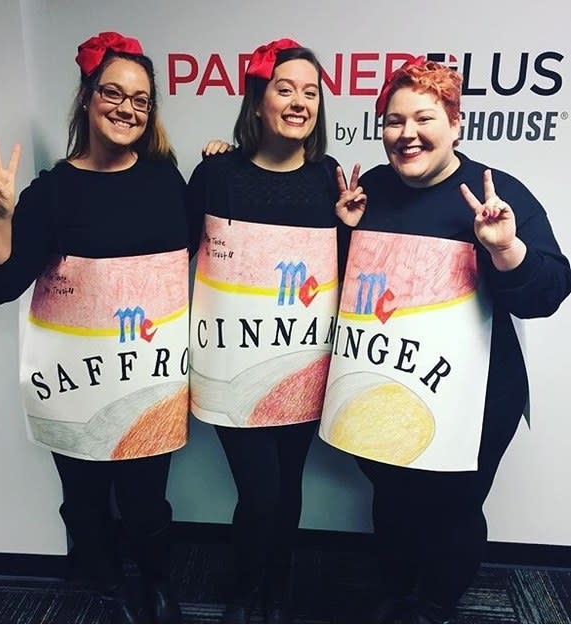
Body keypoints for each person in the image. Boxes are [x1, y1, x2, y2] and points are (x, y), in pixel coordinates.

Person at [319, 58, 571, 623]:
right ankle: (398, 589)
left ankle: (434, 605)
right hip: (387, 377)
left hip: (479, 396)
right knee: (390, 492)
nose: (407, 134)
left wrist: (504, 248)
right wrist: (344, 232)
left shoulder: (497, 193)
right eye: (393, 120)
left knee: (453, 507)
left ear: (454, 123)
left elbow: (548, 292)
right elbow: (345, 287)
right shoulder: (371, 189)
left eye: (424, 118)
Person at [0, 31, 190, 624]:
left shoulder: (168, 182)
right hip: (74, 384)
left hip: (149, 378)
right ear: (88, 99)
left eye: (141, 100)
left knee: (146, 502)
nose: (127, 109)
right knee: (86, 500)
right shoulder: (52, 192)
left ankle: (157, 585)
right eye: (113, 93)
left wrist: (221, 159)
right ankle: (103, 584)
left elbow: (208, 257)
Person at [186, 38, 359, 623]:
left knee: (287, 487)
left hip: (302, 367)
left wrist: (349, 229)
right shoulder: (216, 173)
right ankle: (243, 590)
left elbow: (341, 271)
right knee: (260, 491)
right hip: (234, 369)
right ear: (258, 99)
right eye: (285, 89)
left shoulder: (329, 178)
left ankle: (274, 589)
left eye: (310, 92)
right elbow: (170, 251)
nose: (299, 102)